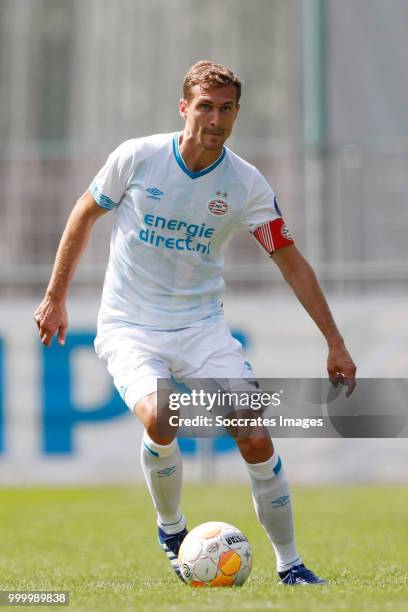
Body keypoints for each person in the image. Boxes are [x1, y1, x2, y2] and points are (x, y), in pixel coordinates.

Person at [34, 61, 356, 586]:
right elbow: (84, 213)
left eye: (227, 108)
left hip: (203, 328)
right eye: (205, 106)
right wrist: (55, 298)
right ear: (184, 107)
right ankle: (171, 528)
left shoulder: (246, 184)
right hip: (130, 326)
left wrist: (334, 342)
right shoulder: (137, 157)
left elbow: (290, 260)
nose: (216, 119)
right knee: (162, 417)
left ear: (236, 113)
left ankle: (291, 565)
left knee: (254, 437)